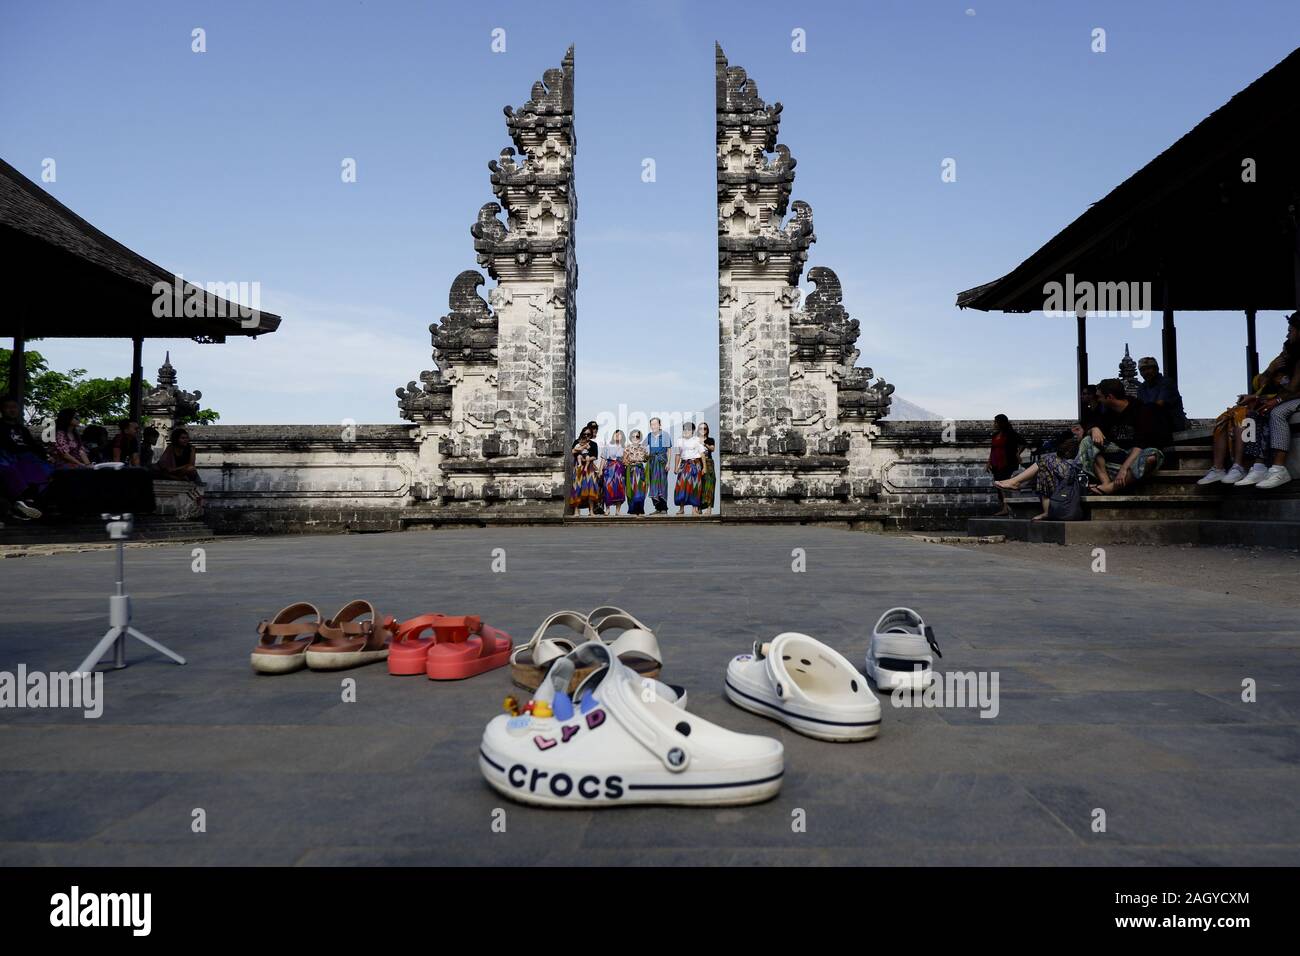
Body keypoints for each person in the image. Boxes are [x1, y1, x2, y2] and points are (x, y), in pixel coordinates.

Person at [1199, 312, 1300, 489]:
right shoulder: (1284, 357)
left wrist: (1271, 401)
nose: (1287, 334)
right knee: (1236, 416)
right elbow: (1260, 382)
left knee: (1248, 417)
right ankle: (1250, 466)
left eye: (1290, 330)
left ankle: (1244, 465)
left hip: (1287, 399)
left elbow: (1292, 388)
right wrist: (1270, 371)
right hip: (1271, 398)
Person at [1084, 379, 1165, 494]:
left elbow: (1141, 443)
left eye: (1100, 397)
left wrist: (1124, 469)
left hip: (1136, 454)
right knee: (1087, 441)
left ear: (1110, 397)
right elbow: (1092, 423)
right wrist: (1094, 429)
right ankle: (1105, 482)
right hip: (1117, 453)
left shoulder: (1141, 410)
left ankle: (1110, 488)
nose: (1098, 400)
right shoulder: (1107, 412)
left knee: (1152, 456)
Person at [994, 425, 1083, 520]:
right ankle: (1046, 512)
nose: (1075, 433)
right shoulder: (1069, 441)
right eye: (1073, 430)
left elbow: (1078, 465)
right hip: (1061, 483)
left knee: (1046, 460)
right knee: (1043, 470)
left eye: (1078, 430)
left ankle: (1016, 482)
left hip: (1074, 477)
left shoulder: (1086, 441)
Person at [0, 394, 50, 520]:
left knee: (46, 470)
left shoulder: (22, 429)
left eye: (14, 407)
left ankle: (30, 504)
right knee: (12, 470)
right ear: (2, 409)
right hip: (10, 457)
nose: (12, 410)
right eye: (8, 407)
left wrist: (46, 455)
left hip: (28, 458)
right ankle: (20, 503)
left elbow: (33, 446)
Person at [1136, 357, 1187, 434]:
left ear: (1156, 369)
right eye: (1142, 370)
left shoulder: (1166, 383)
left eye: (1149, 368)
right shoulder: (1141, 388)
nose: (1146, 372)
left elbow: (1159, 405)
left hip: (1172, 425)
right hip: (1153, 425)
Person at [986, 414, 1024, 516]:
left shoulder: (1010, 434)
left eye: (995, 422)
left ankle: (1007, 508)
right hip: (996, 463)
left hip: (1008, 463)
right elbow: (993, 449)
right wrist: (988, 462)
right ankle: (1004, 507)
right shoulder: (995, 435)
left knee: (1005, 485)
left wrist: (1017, 454)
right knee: (998, 485)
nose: (994, 424)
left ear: (1001, 423)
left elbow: (1023, 443)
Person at [567, 424, 601, 516]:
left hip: (589, 468)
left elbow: (595, 456)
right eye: (584, 434)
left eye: (588, 434)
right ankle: (576, 510)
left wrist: (587, 459)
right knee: (577, 487)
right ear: (582, 434)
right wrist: (583, 448)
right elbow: (573, 451)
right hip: (578, 466)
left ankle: (591, 510)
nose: (586, 436)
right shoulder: (577, 442)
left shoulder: (593, 444)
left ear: (591, 435)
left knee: (590, 489)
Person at [672, 421, 704, 515]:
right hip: (684, 464)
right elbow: (677, 455)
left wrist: (704, 468)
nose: (686, 431)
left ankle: (694, 509)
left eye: (689, 429)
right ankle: (681, 508)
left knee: (695, 486)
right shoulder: (679, 440)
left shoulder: (697, 440)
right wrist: (676, 467)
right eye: (685, 429)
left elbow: (702, 454)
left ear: (693, 431)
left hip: (695, 464)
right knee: (681, 485)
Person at [645, 417, 672, 515]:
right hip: (652, 462)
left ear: (660, 425)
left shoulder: (665, 435)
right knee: (653, 484)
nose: (654, 426)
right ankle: (657, 508)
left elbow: (669, 450)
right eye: (652, 424)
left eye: (655, 424)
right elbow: (643, 447)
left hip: (662, 461)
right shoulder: (649, 436)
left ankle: (664, 508)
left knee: (662, 484)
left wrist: (668, 463)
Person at [601, 429, 627, 516]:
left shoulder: (624, 447)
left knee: (619, 488)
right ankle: (607, 509)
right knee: (607, 487)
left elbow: (626, 460)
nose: (617, 436)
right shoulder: (608, 446)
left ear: (622, 437)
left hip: (620, 470)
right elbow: (603, 458)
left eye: (619, 435)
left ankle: (618, 510)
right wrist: (600, 470)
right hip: (609, 468)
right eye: (616, 434)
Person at [624, 429, 649, 517]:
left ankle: (640, 509)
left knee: (641, 490)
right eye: (633, 436)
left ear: (640, 438)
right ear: (630, 438)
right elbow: (624, 460)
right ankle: (632, 510)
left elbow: (646, 459)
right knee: (631, 490)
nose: (635, 438)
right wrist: (630, 465)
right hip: (631, 470)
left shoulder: (643, 448)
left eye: (637, 436)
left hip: (640, 470)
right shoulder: (627, 447)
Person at [698, 422, 716, 515]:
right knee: (699, 486)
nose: (703, 430)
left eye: (705, 428)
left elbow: (712, 449)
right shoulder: (695, 440)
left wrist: (704, 444)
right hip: (698, 463)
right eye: (701, 428)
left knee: (709, 485)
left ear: (707, 430)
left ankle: (709, 509)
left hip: (708, 462)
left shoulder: (710, 440)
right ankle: (699, 508)